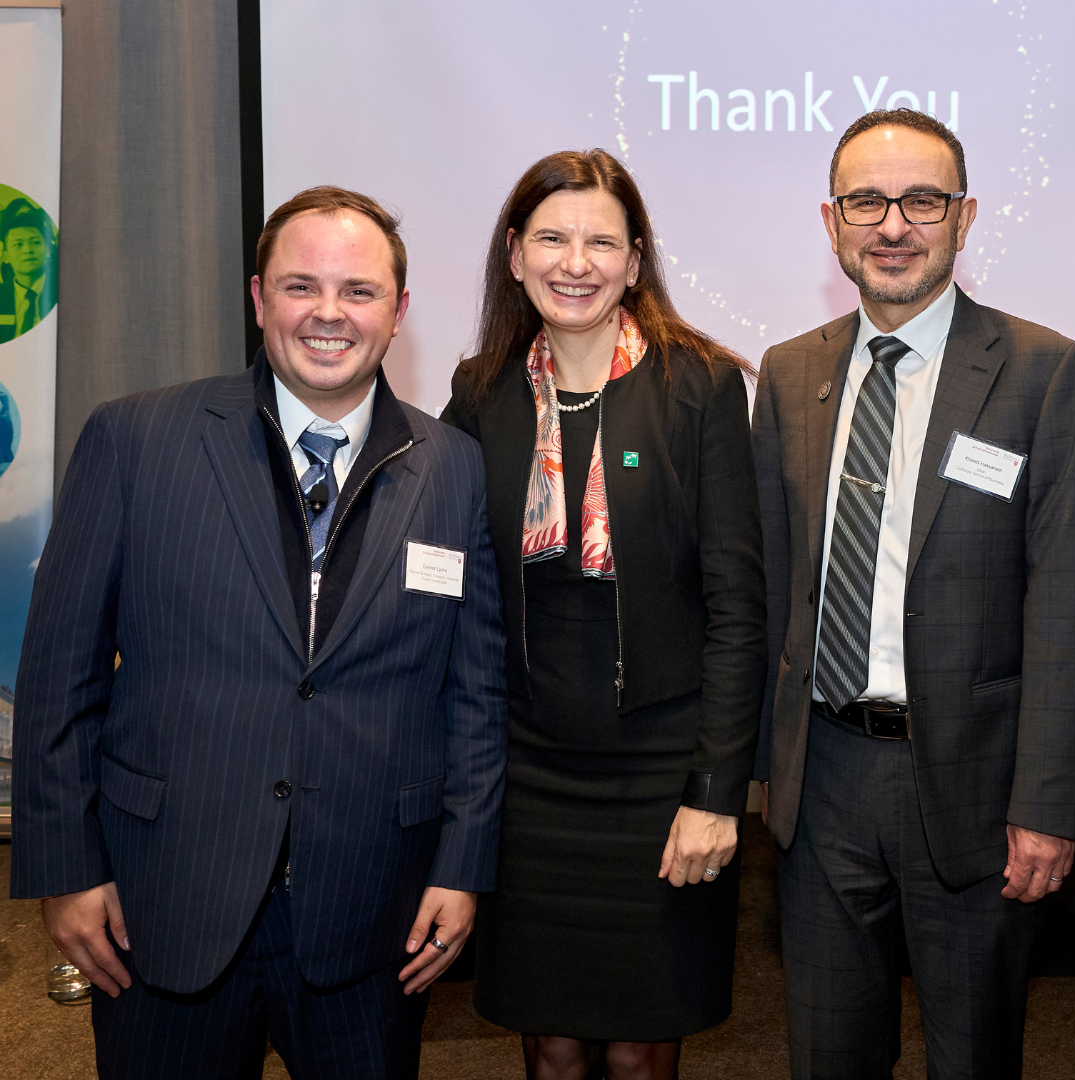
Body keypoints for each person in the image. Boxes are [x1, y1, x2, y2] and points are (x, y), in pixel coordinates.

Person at [9, 186, 507, 1078]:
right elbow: (59, 676)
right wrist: (66, 868)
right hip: (164, 900)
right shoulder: (137, 439)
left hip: (371, 909)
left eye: (358, 291)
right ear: (257, 298)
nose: (328, 313)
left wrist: (461, 867)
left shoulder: (452, 467)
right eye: (300, 286)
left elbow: (474, 693)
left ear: (399, 311)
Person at [752, 108, 1075, 1078]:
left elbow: (1065, 608)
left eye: (922, 200)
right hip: (822, 777)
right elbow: (776, 586)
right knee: (827, 1052)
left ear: (965, 215)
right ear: (832, 222)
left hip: (975, 785)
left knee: (972, 1055)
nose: (893, 224)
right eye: (867, 200)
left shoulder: (1044, 372)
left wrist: (1046, 802)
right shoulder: (788, 374)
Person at [441, 149, 764, 1080]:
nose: (574, 261)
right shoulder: (479, 391)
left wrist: (716, 794)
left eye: (600, 241)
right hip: (527, 772)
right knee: (548, 1050)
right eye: (551, 237)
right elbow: (456, 588)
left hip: (662, 777)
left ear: (634, 260)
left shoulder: (698, 386)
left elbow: (738, 610)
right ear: (513, 254)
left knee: (635, 1052)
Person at [0, 199, 56, 342]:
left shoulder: (58, 292)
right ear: (5, 255)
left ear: (47, 249)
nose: (28, 250)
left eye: (35, 242)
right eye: (18, 244)